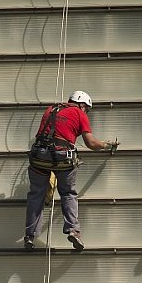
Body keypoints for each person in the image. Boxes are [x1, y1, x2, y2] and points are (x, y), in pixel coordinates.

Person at [24, 90, 118, 251]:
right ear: (82, 104)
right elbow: (91, 144)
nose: (86, 112)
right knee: (67, 193)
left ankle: (30, 235)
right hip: (62, 158)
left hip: (39, 156)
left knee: (36, 195)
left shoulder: (50, 109)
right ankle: (73, 231)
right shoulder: (79, 113)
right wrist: (106, 145)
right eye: (86, 109)